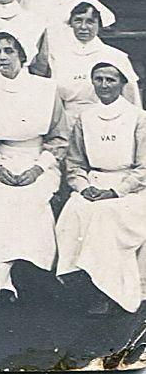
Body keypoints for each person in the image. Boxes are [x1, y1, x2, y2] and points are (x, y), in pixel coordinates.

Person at [0, 31, 67, 303]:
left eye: (9, 51)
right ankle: (7, 277)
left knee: (29, 199)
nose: (2, 56)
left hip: (39, 161)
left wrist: (37, 169)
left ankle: (1, 274)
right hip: (1, 160)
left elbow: (59, 139)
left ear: (22, 56)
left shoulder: (45, 88)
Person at [57, 61, 146, 315]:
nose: (104, 85)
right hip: (94, 184)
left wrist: (115, 191)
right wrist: (83, 187)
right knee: (74, 210)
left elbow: (144, 168)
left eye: (110, 80)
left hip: (131, 189)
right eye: (99, 79)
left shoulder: (139, 118)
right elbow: (74, 163)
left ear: (122, 84)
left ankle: (107, 291)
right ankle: (84, 285)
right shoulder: (85, 118)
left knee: (105, 215)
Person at [47, 0, 140, 114]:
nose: (83, 27)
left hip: (106, 119)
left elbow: (132, 99)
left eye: (90, 22)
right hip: (68, 119)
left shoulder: (115, 56)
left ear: (99, 24)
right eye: (78, 21)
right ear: (70, 23)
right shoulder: (58, 56)